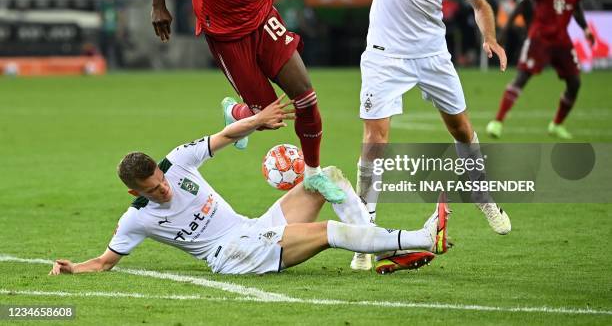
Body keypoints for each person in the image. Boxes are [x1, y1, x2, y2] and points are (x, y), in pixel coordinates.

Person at [150, 0, 386, 204]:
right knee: (267, 119)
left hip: (264, 21)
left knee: (306, 99)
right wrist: (158, 5)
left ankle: (314, 174)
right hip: (227, 35)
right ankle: (238, 113)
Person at [49, 96, 451, 277]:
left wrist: (259, 118)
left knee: (322, 178)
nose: (164, 190)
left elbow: (225, 134)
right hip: (233, 254)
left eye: (161, 181)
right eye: (153, 191)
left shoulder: (178, 162)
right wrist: (72, 269)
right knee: (325, 233)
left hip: (251, 226)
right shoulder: (135, 219)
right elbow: (104, 262)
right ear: (135, 194)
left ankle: (369, 252)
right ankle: (420, 238)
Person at [338, 0, 511, 270]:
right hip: (384, 54)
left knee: (462, 130)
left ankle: (482, 195)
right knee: (375, 139)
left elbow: (480, 3)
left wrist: (490, 39)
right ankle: (364, 232)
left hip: (432, 54)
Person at [486, 0, 594, 140]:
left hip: (562, 41)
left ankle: (557, 125)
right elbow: (523, 3)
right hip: (540, 39)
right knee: (522, 77)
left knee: (575, 83)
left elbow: (576, 7)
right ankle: (497, 122)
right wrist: (505, 29)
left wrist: (585, 29)